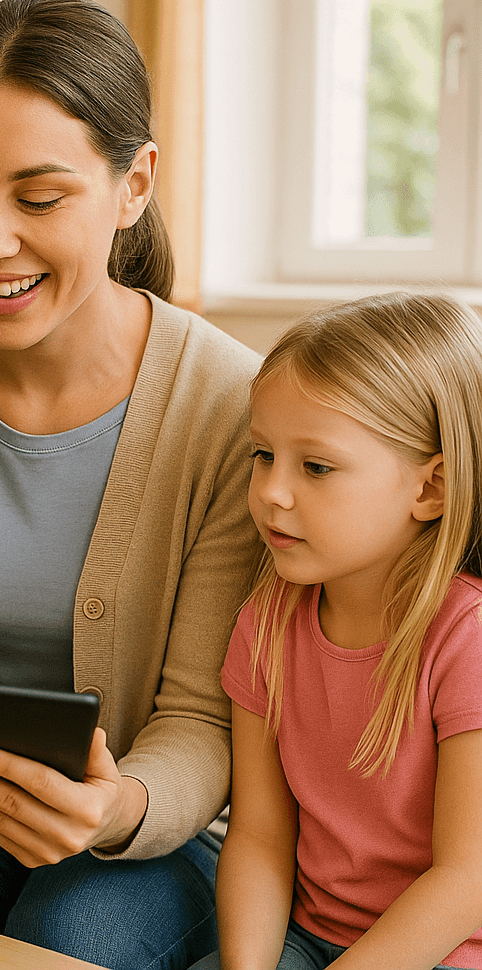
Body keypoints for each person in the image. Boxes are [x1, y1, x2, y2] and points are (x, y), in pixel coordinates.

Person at [0, 0, 265, 970]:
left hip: (142, 827)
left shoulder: (230, 407)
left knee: (69, 937)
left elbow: (201, 715)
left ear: (133, 185)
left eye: (38, 198)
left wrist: (114, 807)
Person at [188, 291, 482, 970]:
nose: (271, 493)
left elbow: (466, 881)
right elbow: (259, 836)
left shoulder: (465, 639)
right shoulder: (266, 624)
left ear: (431, 488)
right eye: (263, 456)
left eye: (315, 467)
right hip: (309, 939)